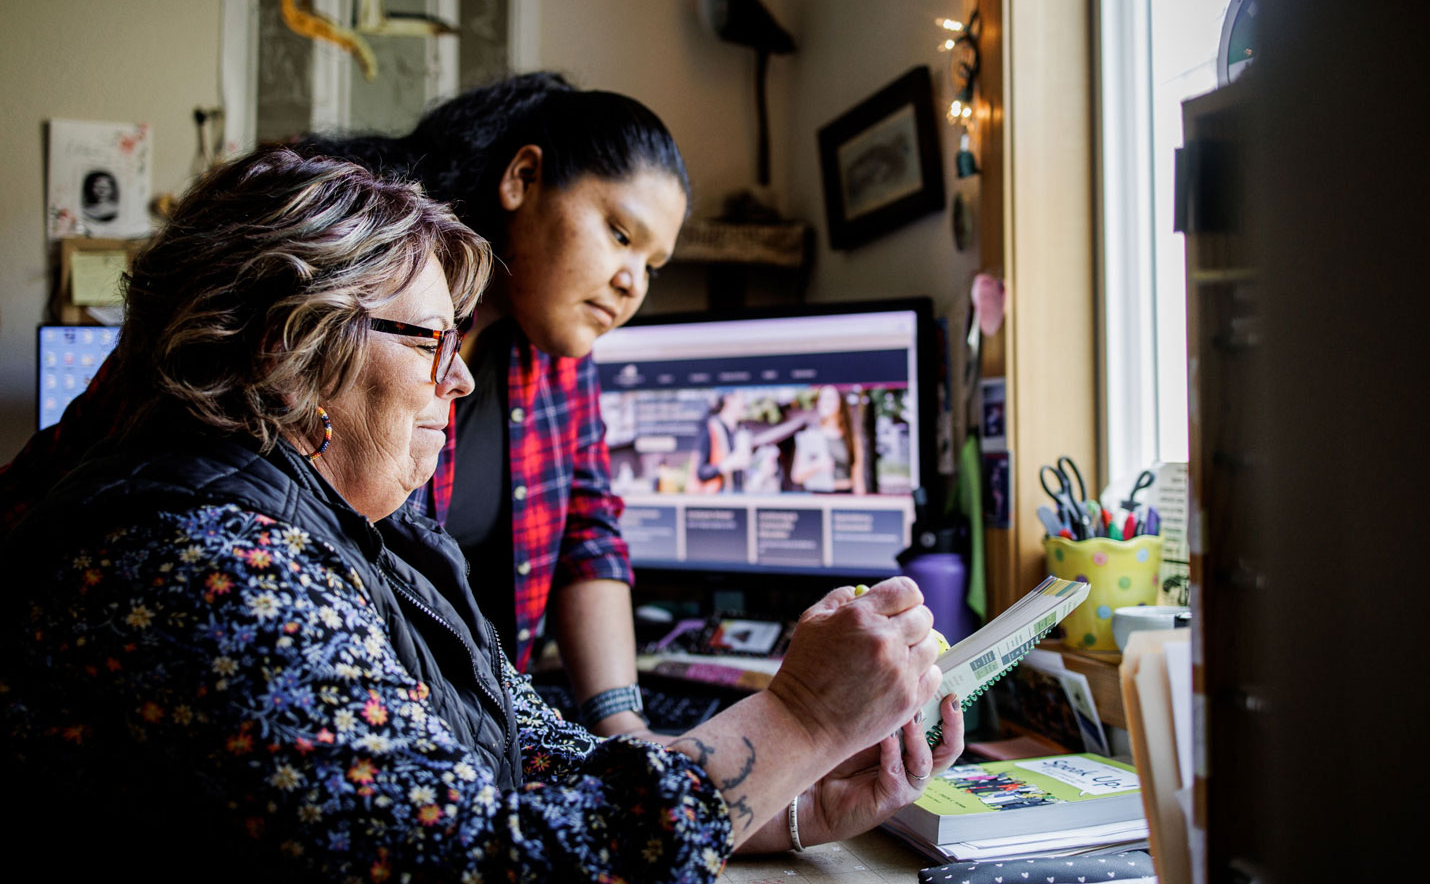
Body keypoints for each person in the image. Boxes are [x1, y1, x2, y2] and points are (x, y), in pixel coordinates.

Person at [0, 147, 965, 882]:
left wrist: (788, 804)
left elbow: (537, 764)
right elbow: (480, 863)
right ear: (292, 351)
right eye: (428, 339)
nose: (459, 376)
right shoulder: (203, 560)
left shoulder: (378, 540)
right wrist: (796, 718)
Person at [1, 72, 681, 739]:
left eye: (654, 267)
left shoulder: (559, 351)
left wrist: (621, 727)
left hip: (448, 726)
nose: (632, 285)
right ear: (522, 179)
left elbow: (587, 533)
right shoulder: (317, 303)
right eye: (621, 235)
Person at [791, 384, 865, 494]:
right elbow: (797, 476)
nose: (826, 402)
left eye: (830, 398)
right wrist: (817, 466)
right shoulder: (809, 436)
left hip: (844, 496)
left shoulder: (851, 438)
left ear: (840, 403)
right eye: (823, 398)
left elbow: (858, 479)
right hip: (818, 497)